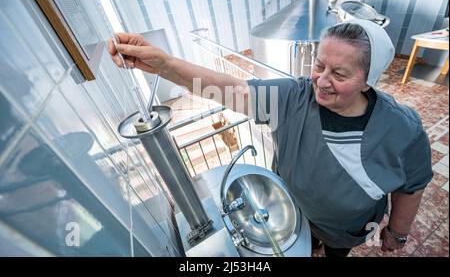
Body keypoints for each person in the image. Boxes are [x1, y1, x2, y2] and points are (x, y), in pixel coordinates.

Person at [109, 19, 432, 257]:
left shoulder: (402, 130)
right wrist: (165, 65)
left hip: (342, 231)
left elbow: (410, 187)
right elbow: (229, 89)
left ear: (368, 80)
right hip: (294, 211)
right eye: (319, 65)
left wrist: (397, 234)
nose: (321, 80)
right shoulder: (294, 98)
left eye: (340, 74)